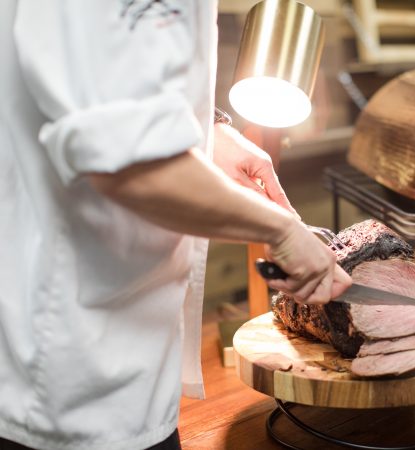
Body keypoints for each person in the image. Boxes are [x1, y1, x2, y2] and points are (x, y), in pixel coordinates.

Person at [0, 1, 352, 449]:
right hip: (68, 372)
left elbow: (115, 79)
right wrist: (279, 231)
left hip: (130, 350)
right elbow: (130, 162)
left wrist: (209, 130)